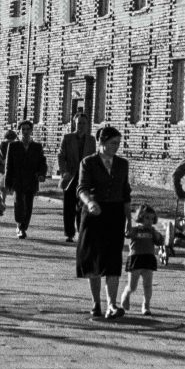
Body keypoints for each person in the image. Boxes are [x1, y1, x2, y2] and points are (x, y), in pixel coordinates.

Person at [76, 125, 132, 320]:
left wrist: (129, 222)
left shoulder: (122, 164)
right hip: (94, 214)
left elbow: (126, 193)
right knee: (93, 259)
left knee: (112, 260)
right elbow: (81, 188)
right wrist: (90, 202)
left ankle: (111, 305)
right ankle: (96, 303)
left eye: (118, 143)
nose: (116, 147)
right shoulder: (88, 162)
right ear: (101, 142)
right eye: (112, 143)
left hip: (115, 213)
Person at [117, 204, 164, 315]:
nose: (150, 221)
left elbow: (160, 241)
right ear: (141, 217)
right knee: (132, 286)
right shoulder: (135, 230)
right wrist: (127, 228)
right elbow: (127, 234)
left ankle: (146, 305)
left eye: (152, 219)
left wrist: (157, 234)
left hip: (148, 259)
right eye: (147, 218)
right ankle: (126, 294)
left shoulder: (152, 232)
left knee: (148, 285)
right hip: (136, 259)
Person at [57, 112, 97, 243]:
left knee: (82, 204)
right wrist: (64, 172)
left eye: (84, 123)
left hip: (84, 176)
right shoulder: (67, 138)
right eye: (79, 123)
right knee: (69, 205)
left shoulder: (91, 140)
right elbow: (61, 156)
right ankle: (69, 233)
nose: (81, 126)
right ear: (74, 123)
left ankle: (81, 231)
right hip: (70, 176)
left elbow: (93, 158)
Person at [3, 120, 47, 238]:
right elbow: (9, 165)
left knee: (28, 204)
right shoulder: (13, 146)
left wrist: (42, 174)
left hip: (31, 180)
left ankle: (24, 225)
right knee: (19, 203)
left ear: (31, 130)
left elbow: (42, 162)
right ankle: (20, 226)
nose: (26, 132)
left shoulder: (37, 147)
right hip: (18, 180)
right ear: (19, 131)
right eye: (23, 129)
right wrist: (8, 183)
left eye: (28, 129)